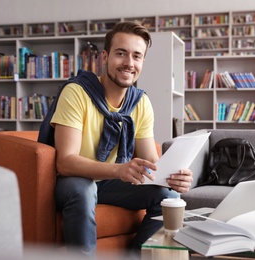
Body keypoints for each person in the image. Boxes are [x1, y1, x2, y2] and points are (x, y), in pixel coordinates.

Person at [44, 21, 193, 257]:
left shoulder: (140, 102)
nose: (129, 63)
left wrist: (171, 178)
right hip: (73, 181)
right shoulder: (77, 92)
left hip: (108, 184)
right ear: (105, 56)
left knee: (169, 196)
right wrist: (118, 170)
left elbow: (151, 163)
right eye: (121, 53)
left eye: (137, 56)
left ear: (143, 61)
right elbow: (65, 162)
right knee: (83, 189)